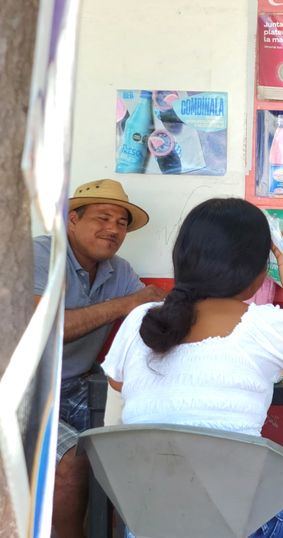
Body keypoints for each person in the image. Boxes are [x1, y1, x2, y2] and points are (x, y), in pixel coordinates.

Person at [100, 198, 283, 537]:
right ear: (257, 272)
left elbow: (121, 386)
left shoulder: (141, 319)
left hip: (147, 523)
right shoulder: (265, 325)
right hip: (238, 525)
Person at [33, 178, 167, 538]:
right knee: (72, 460)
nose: (113, 229)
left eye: (121, 223)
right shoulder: (38, 255)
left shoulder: (118, 270)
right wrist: (127, 304)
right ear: (71, 220)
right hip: (20, 392)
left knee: (142, 439)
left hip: (74, 385)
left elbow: (156, 314)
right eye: (102, 218)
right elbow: (44, 328)